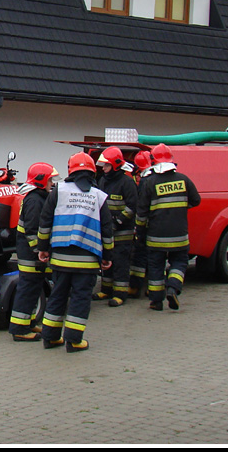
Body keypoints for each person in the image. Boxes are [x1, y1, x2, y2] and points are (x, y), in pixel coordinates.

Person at [36, 152, 114, 353]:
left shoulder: (58, 190)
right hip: (87, 261)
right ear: (91, 172)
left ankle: (50, 338)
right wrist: (107, 257)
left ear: (71, 170)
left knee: (58, 296)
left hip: (61, 259)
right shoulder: (99, 196)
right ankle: (73, 340)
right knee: (80, 299)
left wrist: (43, 248)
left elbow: (45, 223)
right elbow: (107, 229)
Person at [135, 143, 201, 311]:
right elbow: (196, 200)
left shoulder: (149, 183)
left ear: (153, 161)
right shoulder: (183, 179)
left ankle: (156, 301)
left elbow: (141, 214)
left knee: (156, 267)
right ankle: (173, 288)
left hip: (155, 236)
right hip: (179, 235)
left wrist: (140, 234)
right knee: (179, 262)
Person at [9, 162, 59, 342]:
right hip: (31, 255)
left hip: (32, 254)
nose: (52, 183)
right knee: (28, 289)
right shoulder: (35, 201)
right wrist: (41, 251)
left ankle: (27, 323)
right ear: (41, 180)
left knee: (34, 288)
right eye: (50, 179)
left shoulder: (37, 197)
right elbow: (32, 231)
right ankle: (19, 330)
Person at [94, 147, 138, 307]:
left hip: (123, 232)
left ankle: (120, 294)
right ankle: (106, 289)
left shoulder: (127, 182)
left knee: (121, 262)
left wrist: (117, 222)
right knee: (107, 260)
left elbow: (132, 207)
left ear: (115, 165)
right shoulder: (103, 181)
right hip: (107, 230)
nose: (104, 169)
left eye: (106, 165)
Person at [128, 150, 154, 298]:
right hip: (157, 225)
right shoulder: (158, 177)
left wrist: (138, 227)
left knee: (139, 255)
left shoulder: (145, 181)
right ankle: (155, 287)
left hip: (144, 225)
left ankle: (135, 286)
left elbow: (141, 206)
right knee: (156, 258)